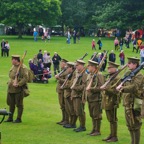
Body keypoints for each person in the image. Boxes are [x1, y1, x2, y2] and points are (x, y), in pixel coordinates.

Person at [116, 57, 144, 144]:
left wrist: (123, 88)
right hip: (127, 103)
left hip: (134, 103)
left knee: (135, 126)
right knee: (130, 126)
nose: (128, 64)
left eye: (130, 63)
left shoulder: (139, 75)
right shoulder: (129, 73)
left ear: (135, 64)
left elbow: (134, 87)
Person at [100, 61, 121, 142]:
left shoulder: (117, 78)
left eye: (110, 67)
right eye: (108, 67)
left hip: (113, 101)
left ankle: (114, 136)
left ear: (115, 68)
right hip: (107, 100)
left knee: (113, 119)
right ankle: (111, 134)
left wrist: (106, 89)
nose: (108, 68)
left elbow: (116, 91)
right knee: (110, 119)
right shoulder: (110, 76)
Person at [5, 55, 29, 123]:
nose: (11, 61)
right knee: (11, 104)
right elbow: (11, 75)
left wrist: (18, 84)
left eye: (13, 59)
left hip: (18, 89)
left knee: (19, 104)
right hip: (11, 88)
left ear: (16, 60)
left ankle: (19, 118)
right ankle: (10, 117)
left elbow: (25, 78)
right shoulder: (13, 66)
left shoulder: (23, 67)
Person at [86, 60, 104, 136]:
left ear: (93, 67)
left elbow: (102, 87)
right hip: (90, 98)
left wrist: (91, 89)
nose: (88, 67)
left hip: (96, 98)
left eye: (89, 66)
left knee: (97, 115)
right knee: (92, 114)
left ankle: (97, 130)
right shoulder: (90, 75)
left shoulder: (99, 75)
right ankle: (94, 129)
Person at [71, 60, 87, 132]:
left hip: (79, 95)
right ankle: (80, 125)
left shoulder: (84, 74)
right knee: (76, 111)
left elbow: (84, 86)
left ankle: (82, 126)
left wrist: (75, 87)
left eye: (77, 65)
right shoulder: (77, 73)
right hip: (74, 94)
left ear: (81, 65)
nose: (76, 66)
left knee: (80, 111)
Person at [55, 59, 69, 125]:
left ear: (65, 64)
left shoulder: (66, 72)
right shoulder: (63, 71)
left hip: (63, 90)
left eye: (62, 63)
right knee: (62, 106)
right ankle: (63, 119)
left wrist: (59, 78)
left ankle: (66, 120)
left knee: (64, 105)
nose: (60, 64)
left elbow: (66, 81)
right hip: (60, 90)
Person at [62, 62, 76, 128]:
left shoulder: (73, 75)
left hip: (70, 94)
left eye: (68, 67)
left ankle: (72, 123)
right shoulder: (70, 74)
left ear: (71, 68)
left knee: (71, 110)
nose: (66, 69)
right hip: (66, 94)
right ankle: (70, 122)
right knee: (68, 109)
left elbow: (71, 84)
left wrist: (64, 86)